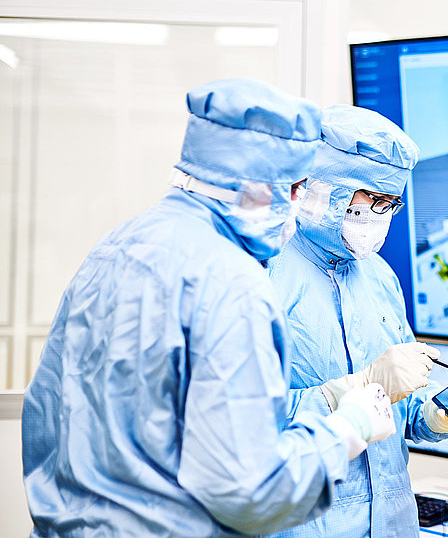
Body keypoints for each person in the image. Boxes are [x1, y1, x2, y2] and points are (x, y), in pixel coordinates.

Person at [20, 79, 398, 537]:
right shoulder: (232, 283)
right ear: (262, 187)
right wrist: (347, 427)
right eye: (297, 188)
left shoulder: (115, 249)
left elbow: (46, 419)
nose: (297, 207)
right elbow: (249, 493)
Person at [266, 104, 448, 538]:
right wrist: (358, 388)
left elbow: (400, 406)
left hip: (393, 522)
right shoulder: (266, 274)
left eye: (390, 203)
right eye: (371, 200)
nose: (380, 215)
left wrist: (432, 415)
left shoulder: (379, 276)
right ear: (325, 190)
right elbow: (248, 421)